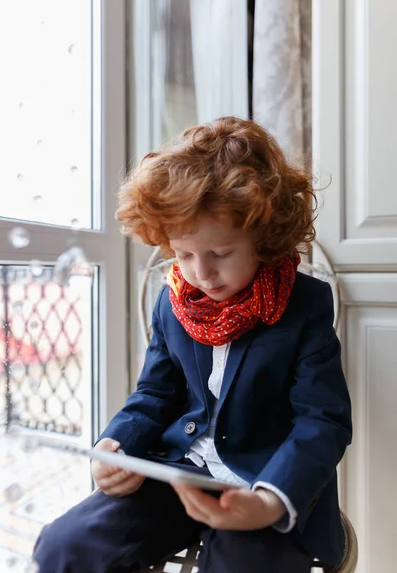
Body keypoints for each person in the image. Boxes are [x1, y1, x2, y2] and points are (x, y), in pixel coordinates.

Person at [33, 117, 352, 572]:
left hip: (263, 481)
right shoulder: (173, 300)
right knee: (65, 545)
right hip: (179, 471)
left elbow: (323, 421)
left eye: (219, 254)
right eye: (182, 254)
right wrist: (114, 444)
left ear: (263, 239)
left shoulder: (306, 304)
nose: (200, 273)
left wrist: (269, 501)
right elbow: (155, 393)